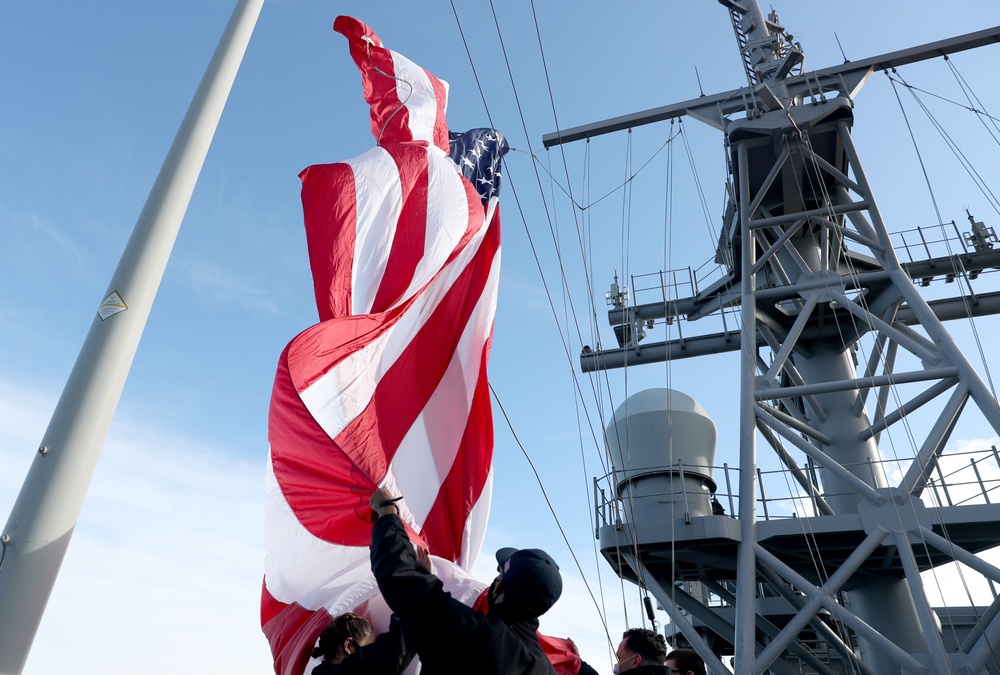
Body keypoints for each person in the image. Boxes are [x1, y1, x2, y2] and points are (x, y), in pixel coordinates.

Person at [368, 487, 562, 675]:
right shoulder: (544, 668)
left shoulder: (478, 638)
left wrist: (387, 510)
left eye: (500, 574)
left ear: (500, 586)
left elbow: (401, 578)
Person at [310, 611, 412, 675]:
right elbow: (397, 643)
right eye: (369, 648)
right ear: (348, 646)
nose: (372, 651)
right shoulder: (351, 670)